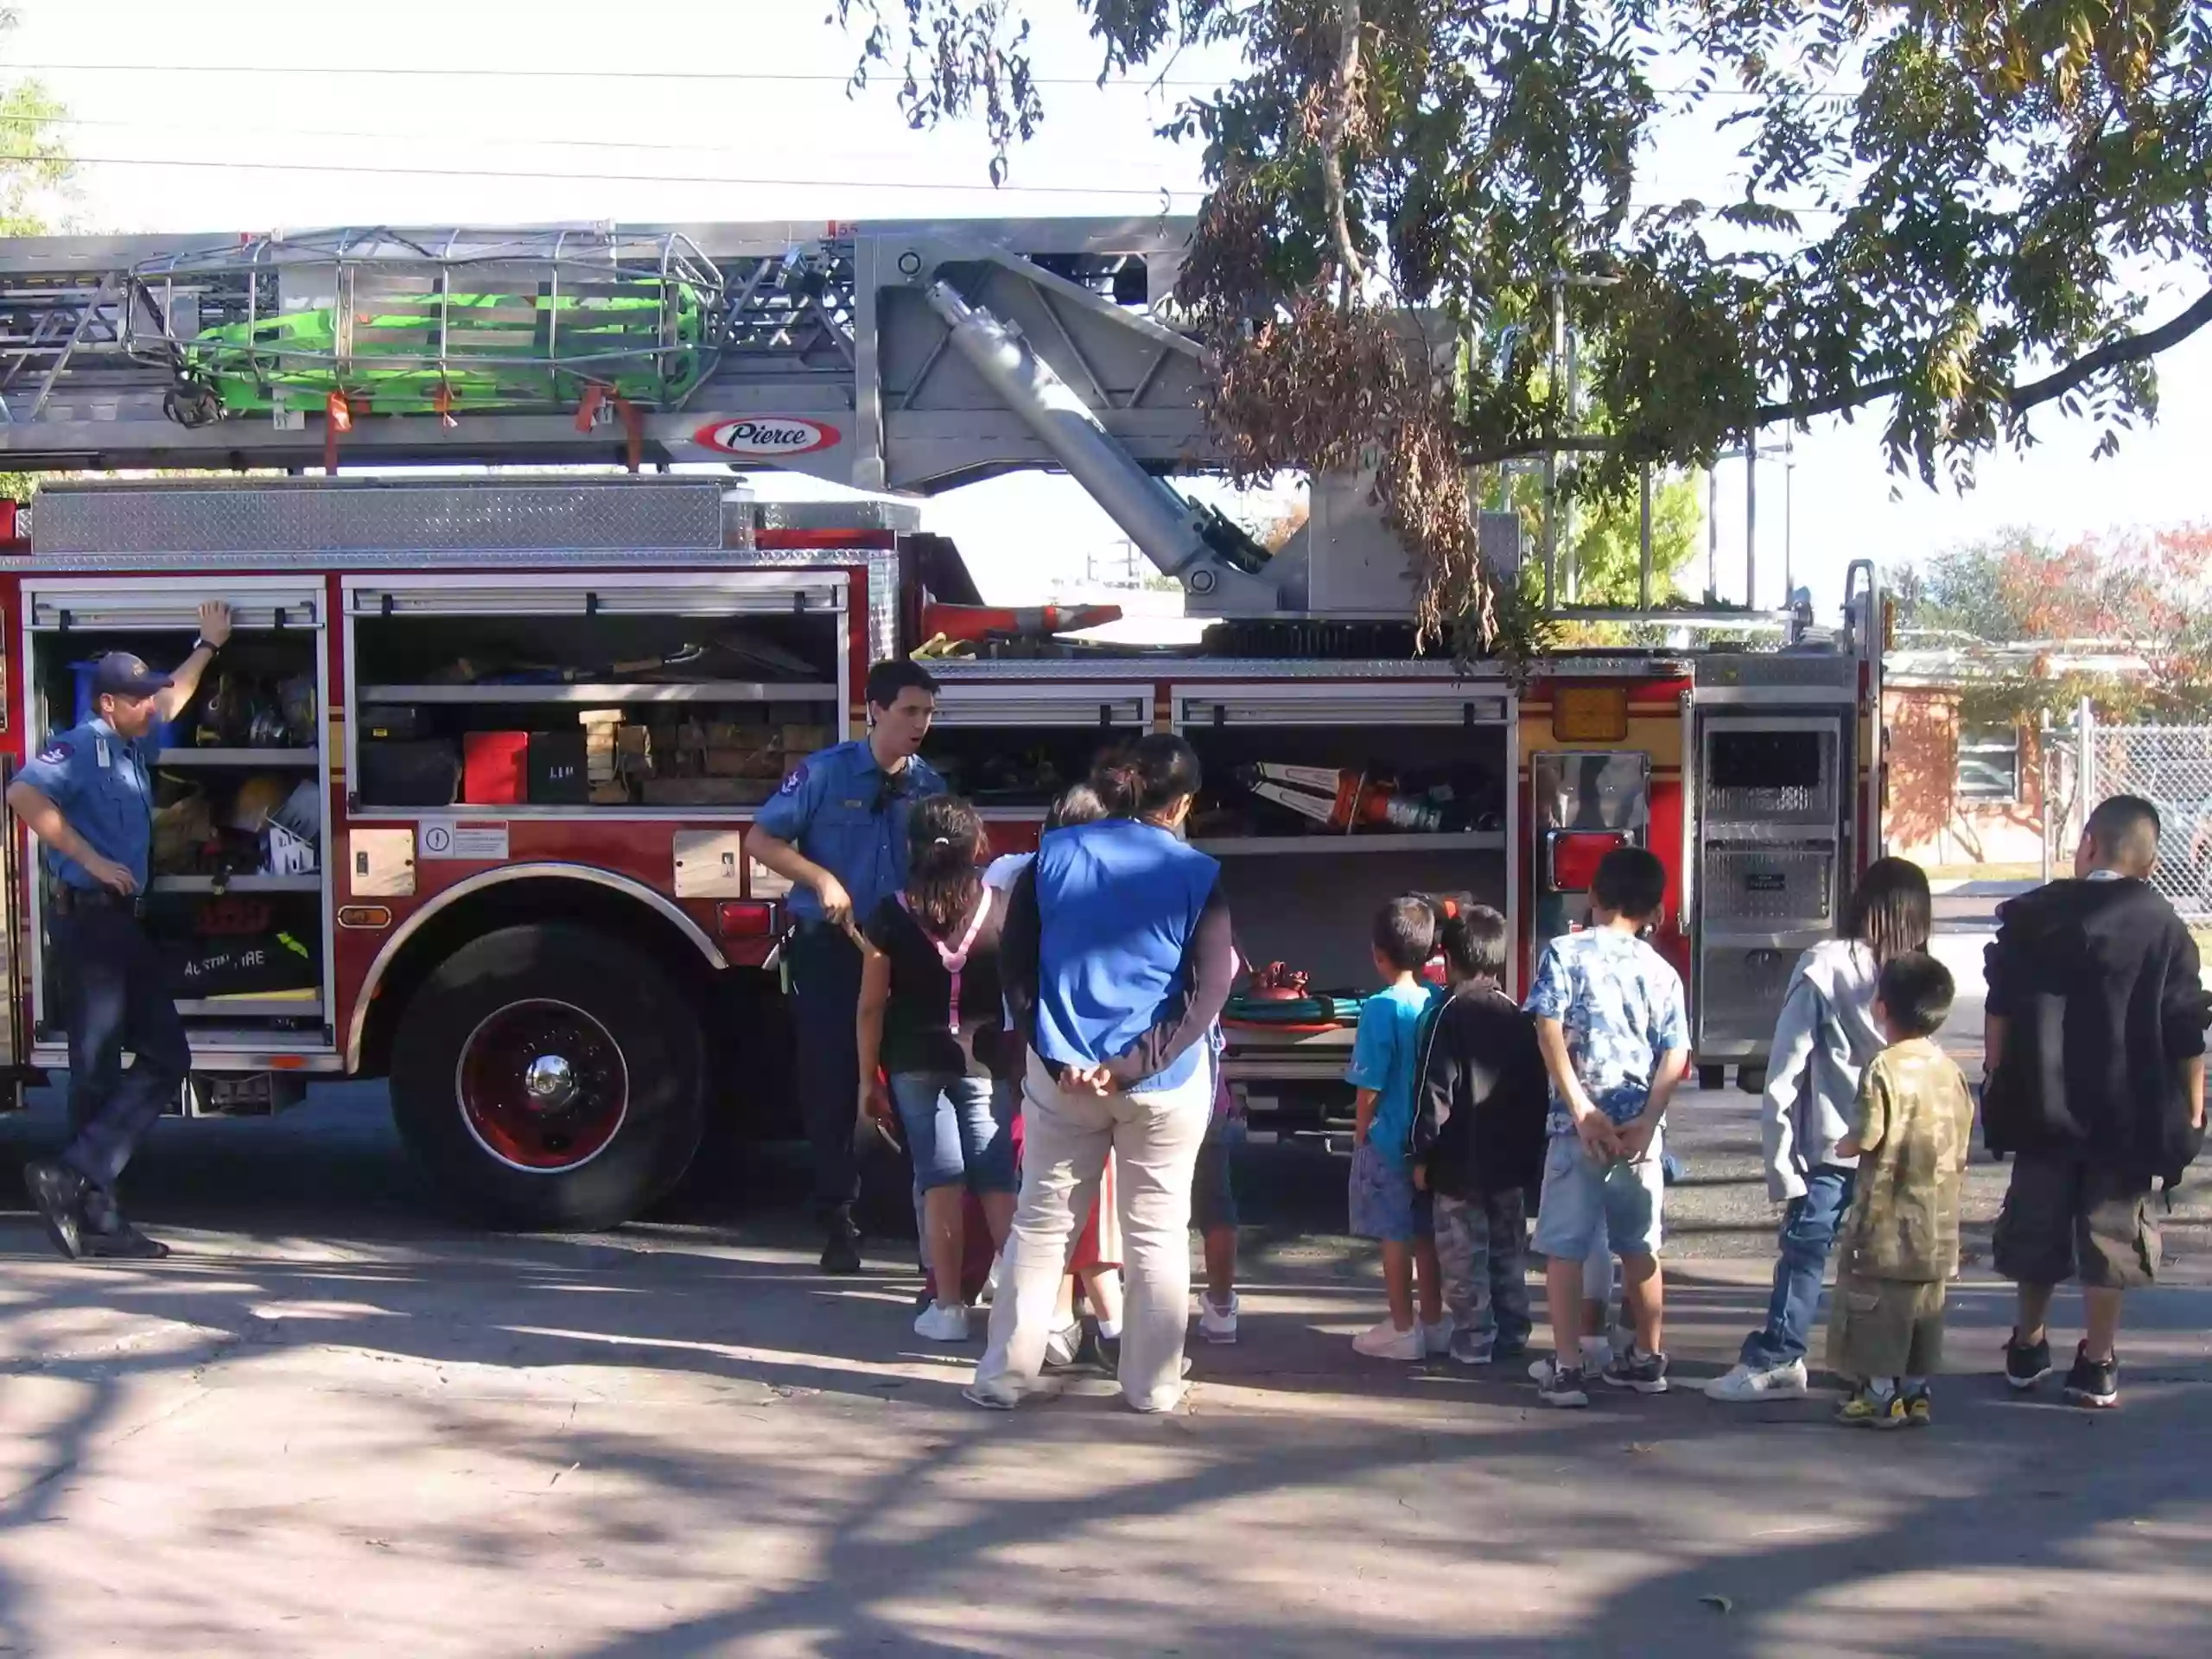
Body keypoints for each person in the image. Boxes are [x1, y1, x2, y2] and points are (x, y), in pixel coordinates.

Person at [970, 734, 1234, 1413]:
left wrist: (1060, 1056)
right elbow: (1207, 993)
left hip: (1061, 1078)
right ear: (1180, 805)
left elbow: (1017, 971)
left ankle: (1004, 1375)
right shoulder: (1198, 873)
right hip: (1160, 1083)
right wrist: (1130, 1067)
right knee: (1155, 1233)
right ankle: (1152, 1386)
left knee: (1042, 1224)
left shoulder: (1048, 859)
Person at [16, 610, 235, 1259]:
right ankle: (94, 1210)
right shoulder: (79, 745)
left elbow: (175, 696)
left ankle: (81, 1188)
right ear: (108, 702)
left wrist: (206, 647)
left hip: (117, 926)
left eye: (148, 695)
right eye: (136, 698)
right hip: (90, 920)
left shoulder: (133, 743)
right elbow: (25, 797)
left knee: (148, 1060)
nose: (150, 705)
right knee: (103, 1069)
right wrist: (89, 860)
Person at [1984, 794, 2208, 1409]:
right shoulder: (2164, 926)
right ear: (2151, 862)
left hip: (2042, 1104)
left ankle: (2028, 1344)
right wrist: (2193, 1105)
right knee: (2112, 1236)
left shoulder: (2035, 915)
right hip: (2128, 1111)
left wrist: (1996, 1075)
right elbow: (2187, 1028)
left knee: (2035, 1226)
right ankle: (2099, 1361)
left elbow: (1998, 1006)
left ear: (2088, 845)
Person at [1707, 856, 1934, 1402]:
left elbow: (1786, 1069)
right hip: (1900, 1149)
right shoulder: (1920, 975)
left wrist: (1779, 1159)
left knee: (1806, 1252)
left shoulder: (1823, 966)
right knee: (1884, 1263)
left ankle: (1781, 1356)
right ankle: (1882, 1369)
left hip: (1833, 1146)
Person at [748, 658, 945, 1274]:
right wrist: (821, 879)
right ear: (876, 710)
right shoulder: (826, 774)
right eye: (910, 711)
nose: (921, 725)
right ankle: (840, 1220)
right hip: (835, 949)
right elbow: (761, 838)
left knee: (914, 1079)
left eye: (929, 713)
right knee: (831, 1082)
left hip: (903, 950)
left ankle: (929, 1232)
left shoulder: (927, 785)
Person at [1525, 847, 1691, 1408]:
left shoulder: (1564, 953)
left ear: (1593, 895)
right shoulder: (1662, 971)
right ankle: (1647, 1358)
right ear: (1655, 910)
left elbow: (1548, 1029)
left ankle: (1568, 1366)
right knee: (1639, 1247)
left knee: (1564, 1248)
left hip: (1578, 1128)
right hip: (1637, 1133)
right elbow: (1675, 1055)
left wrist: (1579, 1107)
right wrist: (1649, 1118)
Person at [855, 796, 1015, 1343]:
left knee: (938, 1179)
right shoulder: (1000, 908)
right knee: (997, 1179)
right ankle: (1021, 1310)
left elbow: (871, 1006)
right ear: (976, 847)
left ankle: (947, 1308)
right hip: (985, 1062)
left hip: (912, 1063)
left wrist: (864, 1082)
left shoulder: (889, 913)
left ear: (913, 848)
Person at [982, 784, 1125, 1362]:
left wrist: (1051, 1051)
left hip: (1043, 1059)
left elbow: (1016, 975)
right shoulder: (1112, 892)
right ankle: (1108, 1330)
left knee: (1047, 1198)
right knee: (1088, 1199)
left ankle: (1051, 1328)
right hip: (1100, 1068)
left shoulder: (1026, 880)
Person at [1827, 951, 1976, 1428]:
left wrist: (1845, 1144)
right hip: (1937, 1217)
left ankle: (1878, 1391)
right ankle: (1916, 1392)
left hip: (1887, 1216)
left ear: (1882, 1008)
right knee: (1924, 1306)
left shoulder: (1882, 1067)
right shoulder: (1948, 1068)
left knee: (1876, 1305)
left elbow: (1869, 1132)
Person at [1410, 906, 1548, 1365]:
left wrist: (1420, 1153)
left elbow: (1433, 1093)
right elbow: (1535, 1093)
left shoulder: (1446, 1017)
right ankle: (1513, 1332)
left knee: (1464, 1258)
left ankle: (1474, 1339)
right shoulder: (1518, 1015)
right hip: (1509, 1165)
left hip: (1458, 1167)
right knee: (1509, 1252)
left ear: (1447, 959)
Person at [1346, 896, 1447, 1360]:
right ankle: (1432, 1321)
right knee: (1425, 1235)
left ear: (1376, 953)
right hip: (1431, 1139)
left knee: (1394, 1235)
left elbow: (1369, 1085)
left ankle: (1401, 1327)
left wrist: (1360, 1131)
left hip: (1389, 1139)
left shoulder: (1379, 1009)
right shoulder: (1437, 999)